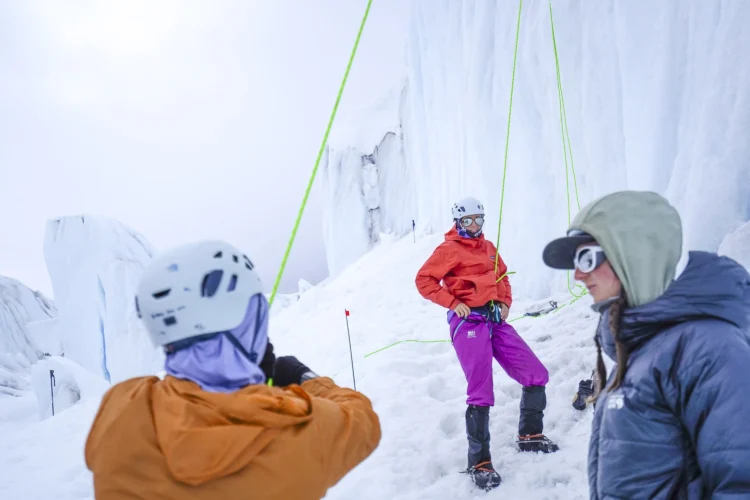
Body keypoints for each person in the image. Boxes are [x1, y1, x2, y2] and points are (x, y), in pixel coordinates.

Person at [85, 240, 381, 500]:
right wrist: (305, 379)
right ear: (242, 322)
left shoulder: (121, 407)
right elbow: (361, 419)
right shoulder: (294, 430)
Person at [542, 190, 750, 498]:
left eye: (586, 258)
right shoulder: (639, 352)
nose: (578, 276)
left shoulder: (709, 350)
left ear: (633, 253)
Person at [415, 197, 558, 491]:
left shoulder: (489, 247)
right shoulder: (448, 249)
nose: (474, 225)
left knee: (535, 373)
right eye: (468, 220)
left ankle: (530, 436)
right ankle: (479, 461)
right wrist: (453, 303)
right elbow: (424, 279)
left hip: (495, 320)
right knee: (481, 389)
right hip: (469, 324)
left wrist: (505, 301)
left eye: (478, 219)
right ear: (458, 222)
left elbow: (502, 276)